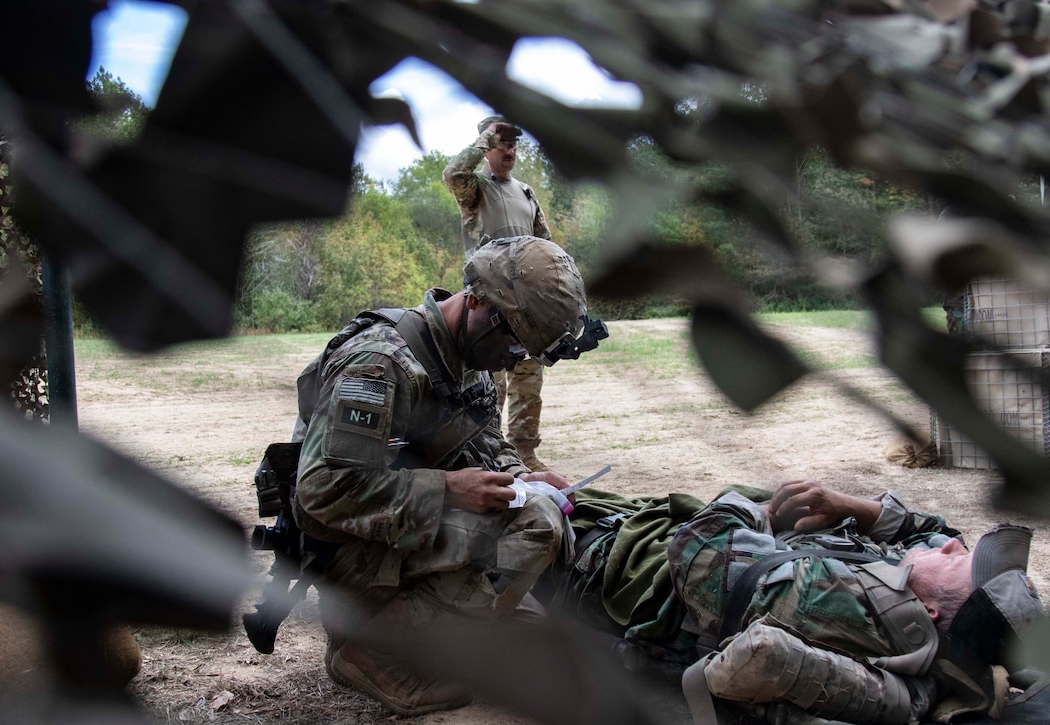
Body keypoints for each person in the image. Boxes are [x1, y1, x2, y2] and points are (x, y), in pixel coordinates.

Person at [290, 235, 604, 716]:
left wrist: (525, 476)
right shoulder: (381, 362)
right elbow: (321, 490)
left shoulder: (470, 358)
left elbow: (485, 441)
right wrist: (448, 490)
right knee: (537, 525)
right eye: (515, 339)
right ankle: (371, 649)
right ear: (476, 301)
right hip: (349, 552)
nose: (517, 357)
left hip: (404, 536)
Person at [538, 480, 1047, 725]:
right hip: (669, 553)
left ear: (931, 612)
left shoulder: (830, 602)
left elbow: (699, 544)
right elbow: (939, 531)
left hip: (616, 571)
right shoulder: (919, 606)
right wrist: (848, 506)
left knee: (527, 502)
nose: (955, 545)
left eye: (961, 562)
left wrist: (752, 506)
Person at [442, 115, 554, 471]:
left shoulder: (525, 192)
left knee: (528, 380)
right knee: (489, 383)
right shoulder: (474, 189)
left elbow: (545, 245)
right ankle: (487, 453)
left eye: (513, 143)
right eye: (503, 143)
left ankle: (525, 453)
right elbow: (453, 173)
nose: (510, 149)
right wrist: (486, 138)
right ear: (488, 146)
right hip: (486, 302)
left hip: (527, 302)